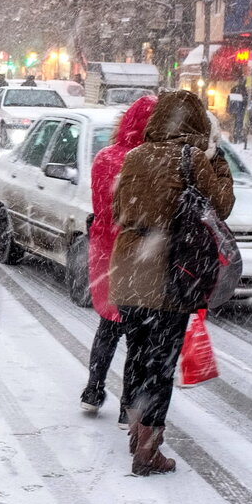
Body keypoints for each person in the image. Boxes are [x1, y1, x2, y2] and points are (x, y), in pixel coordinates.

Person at [110, 90, 234, 476]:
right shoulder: (192, 158)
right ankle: (147, 451)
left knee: (136, 355)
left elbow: (118, 211)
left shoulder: (133, 157)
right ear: (195, 123)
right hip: (169, 274)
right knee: (160, 367)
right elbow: (223, 205)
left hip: (128, 270)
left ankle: (136, 430)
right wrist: (222, 165)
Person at [80, 95, 158, 422]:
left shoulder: (105, 158)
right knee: (139, 333)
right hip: (139, 252)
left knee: (109, 324)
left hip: (105, 250)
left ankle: (93, 389)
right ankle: (130, 404)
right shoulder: (152, 162)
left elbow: (101, 207)